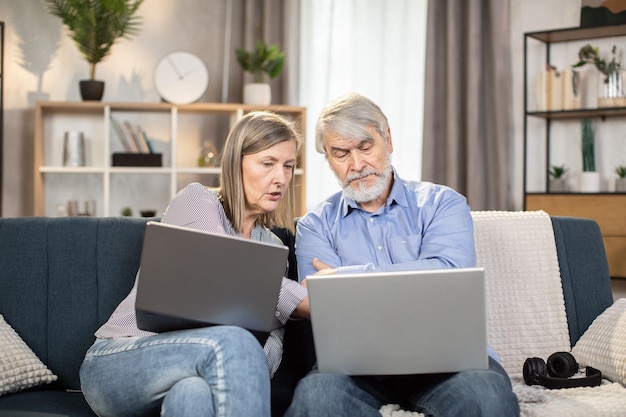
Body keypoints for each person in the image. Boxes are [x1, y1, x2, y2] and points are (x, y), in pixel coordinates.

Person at [284, 93, 520, 417]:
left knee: (487, 399)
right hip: (355, 368)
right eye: (341, 153)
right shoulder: (314, 226)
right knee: (315, 400)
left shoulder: (443, 204)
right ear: (327, 158)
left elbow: (448, 273)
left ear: (388, 139)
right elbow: (318, 301)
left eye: (365, 147)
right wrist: (419, 271)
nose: (356, 164)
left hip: (450, 362)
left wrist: (345, 277)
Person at [79, 111, 309, 417]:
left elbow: (273, 342)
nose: (281, 178)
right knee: (236, 341)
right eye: (268, 163)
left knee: (194, 395)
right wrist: (306, 300)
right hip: (120, 359)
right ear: (235, 163)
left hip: (196, 371)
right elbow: (226, 264)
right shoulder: (198, 201)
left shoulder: (274, 247)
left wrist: (249, 364)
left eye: (288, 166)